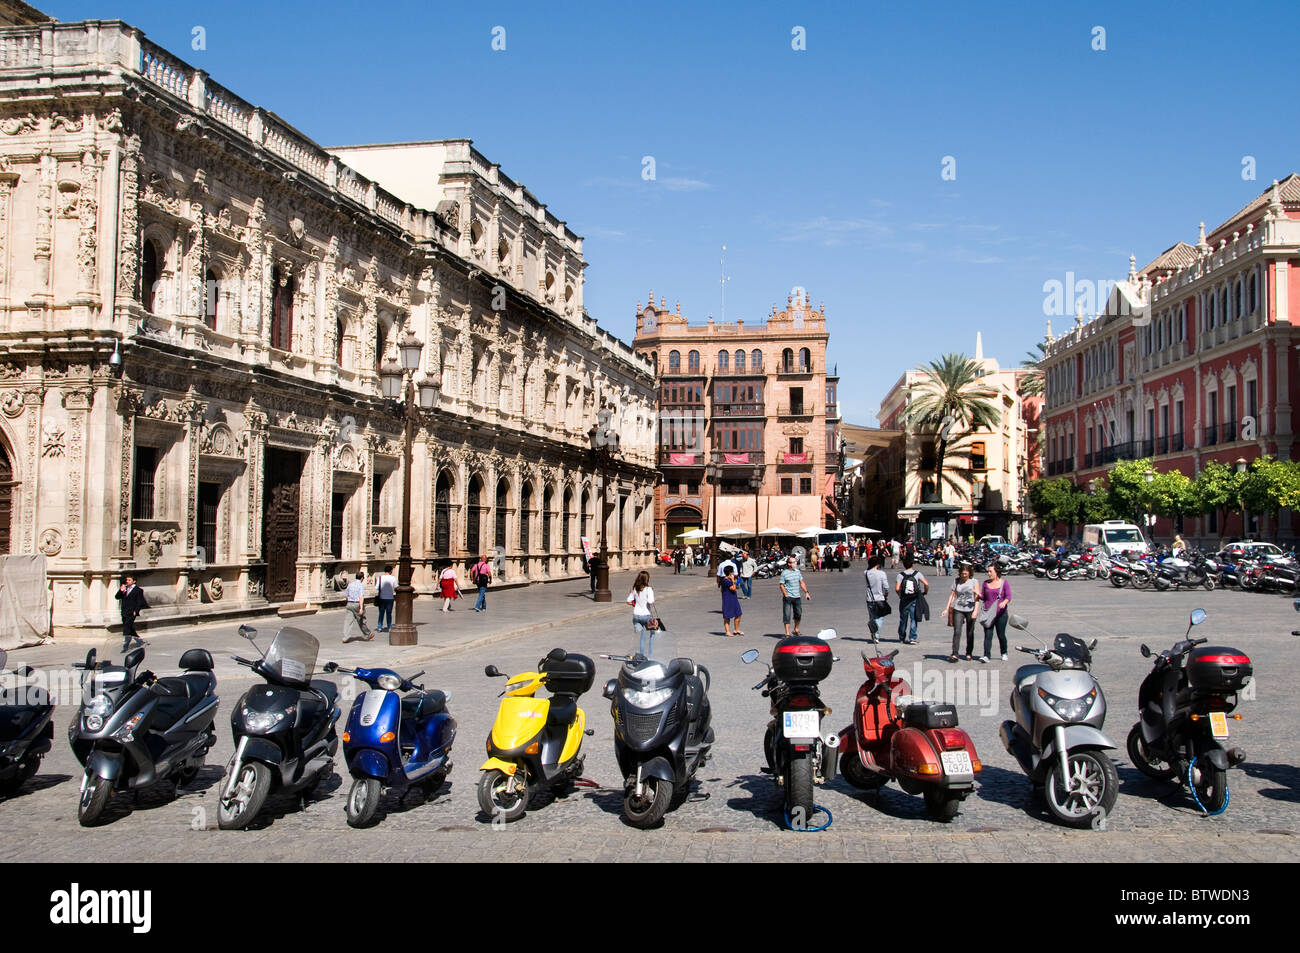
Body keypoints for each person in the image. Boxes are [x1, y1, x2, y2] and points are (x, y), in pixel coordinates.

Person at [977, 562, 1011, 663]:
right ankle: (986, 655)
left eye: (990, 571)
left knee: (1001, 635)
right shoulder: (985, 583)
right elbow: (983, 597)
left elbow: (1008, 596)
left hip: (1001, 614)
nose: (989, 573)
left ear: (996, 572)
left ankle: (1004, 653)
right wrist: (977, 594)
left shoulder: (1004, 583)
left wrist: (1004, 602)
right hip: (988, 614)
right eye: (988, 571)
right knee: (988, 635)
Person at [945, 564, 978, 662]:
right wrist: (946, 609)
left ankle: (969, 653)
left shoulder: (974, 581)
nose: (964, 576)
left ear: (969, 573)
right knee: (957, 631)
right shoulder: (956, 581)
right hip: (958, 608)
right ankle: (955, 654)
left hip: (970, 609)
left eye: (966, 574)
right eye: (962, 574)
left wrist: (975, 611)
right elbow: (952, 595)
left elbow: (977, 597)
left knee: (970, 632)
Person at [895, 553, 929, 645]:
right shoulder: (917, 574)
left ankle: (902, 637)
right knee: (914, 618)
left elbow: (897, 588)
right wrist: (925, 592)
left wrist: (900, 595)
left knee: (903, 619)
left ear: (904, 565)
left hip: (904, 599)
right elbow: (926, 584)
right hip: (915, 598)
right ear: (912, 564)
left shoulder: (900, 575)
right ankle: (912, 638)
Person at [626, 570, 656, 657]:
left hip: (636, 616)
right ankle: (650, 656)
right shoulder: (648, 589)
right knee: (652, 634)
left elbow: (628, 601)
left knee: (642, 636)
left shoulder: (635, 589)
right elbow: (650, 601)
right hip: (646, 615)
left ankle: (641, 655)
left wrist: (634, 604)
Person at [779, 556, 811, 637]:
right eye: (793, 562)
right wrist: (785, 594)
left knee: (798, 614)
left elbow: (801, 582)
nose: (795, 564)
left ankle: (796, 629)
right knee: (787, 615)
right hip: (788, 597)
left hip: (797, 597)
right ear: (789, 564)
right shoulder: (784, 573)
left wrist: (806, 592)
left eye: (795, 562)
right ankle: (787, 633)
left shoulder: (797, 572)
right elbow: (781, 585)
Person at [115, 573, 148, 651]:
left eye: (129, 580)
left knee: (126, 627)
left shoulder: (138, 590)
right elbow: (117, 597)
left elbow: (140, 602)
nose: (127, 581)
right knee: (130, 627)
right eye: (127, 580)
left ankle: (125, 645)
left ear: (134, 581)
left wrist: (136, 611)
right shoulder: (125, 589)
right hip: (124, 611)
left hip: (131, 612)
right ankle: (139, 640)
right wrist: (121, 590)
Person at [864, 555, 890, 644]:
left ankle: (875, 633)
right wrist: (886, 594)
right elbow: (886, 587)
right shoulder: (881, 573)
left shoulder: (866, 573)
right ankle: (875, 633)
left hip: (869, 598)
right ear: (878, 564)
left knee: (872, 617)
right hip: (879, 598)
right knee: (879, 617)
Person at [343, 571, 374, 642]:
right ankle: (367, 634)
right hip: (357, 604)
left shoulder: (350, 584)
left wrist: (348, 602)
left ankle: (345, 637)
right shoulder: (360, 585)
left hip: (349, 604)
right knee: (361, 621)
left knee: (348, 621)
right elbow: (361, 597)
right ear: (362, 578)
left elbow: (347, 596)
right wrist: (361, 608)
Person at [721, 565, 744, 637]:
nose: (733, 573)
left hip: (734, 599)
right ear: (730, 573)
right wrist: (733, 581)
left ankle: (736, 629)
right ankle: (727, 631)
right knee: (727, 617)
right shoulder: (726, 581)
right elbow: (733, 589)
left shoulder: (729, 580)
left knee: (738, 614)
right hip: (728, 600)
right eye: (732, 572)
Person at [375, 565, 397, 632]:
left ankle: (379, 627)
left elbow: (376, 587)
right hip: (390, 598)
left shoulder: (380, 578)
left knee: (381, 613)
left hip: (382, 597)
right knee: (389, 613)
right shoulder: (393, 578)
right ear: (391, 571)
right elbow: (396, 587)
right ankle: (389, 627)